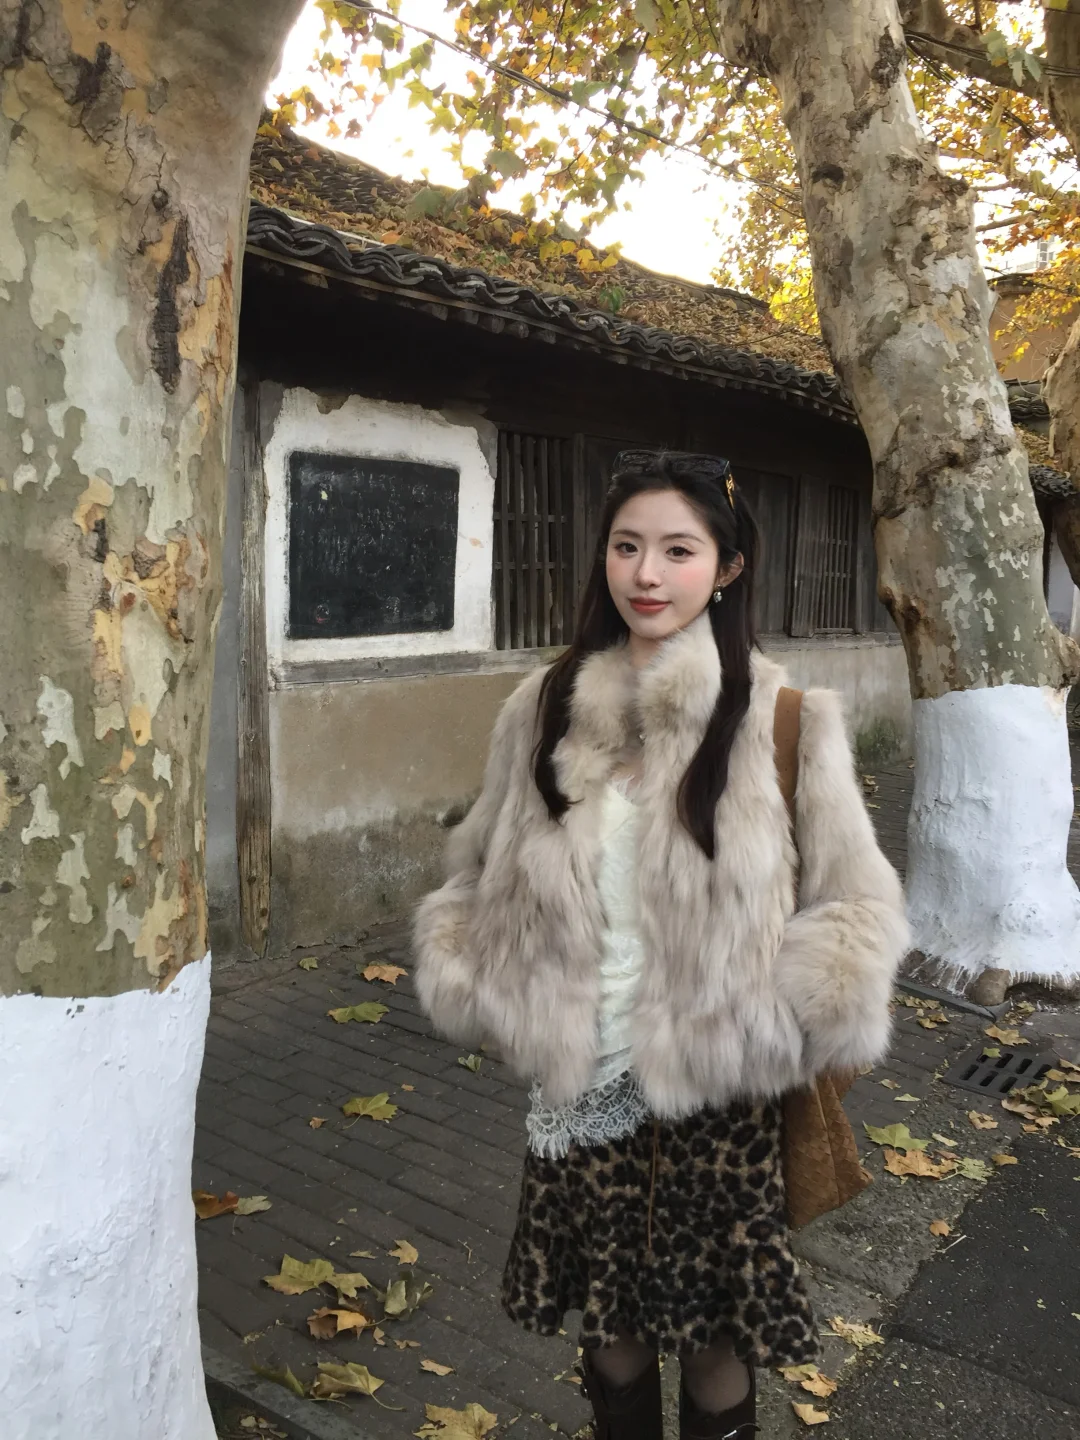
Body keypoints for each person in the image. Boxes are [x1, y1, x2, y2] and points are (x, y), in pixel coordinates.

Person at [414, 450, 907, 1440]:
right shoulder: (542, 706)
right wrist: (470, 973)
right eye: (626, 546)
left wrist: (781, 1022)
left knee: (716, 1342)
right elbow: (475, 865)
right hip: (580, 1081)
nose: (645, 574)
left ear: (727, 567)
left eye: (678, 550)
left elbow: (855, 902)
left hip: (715, 1098)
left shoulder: (785, 721)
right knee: (611, 1335)